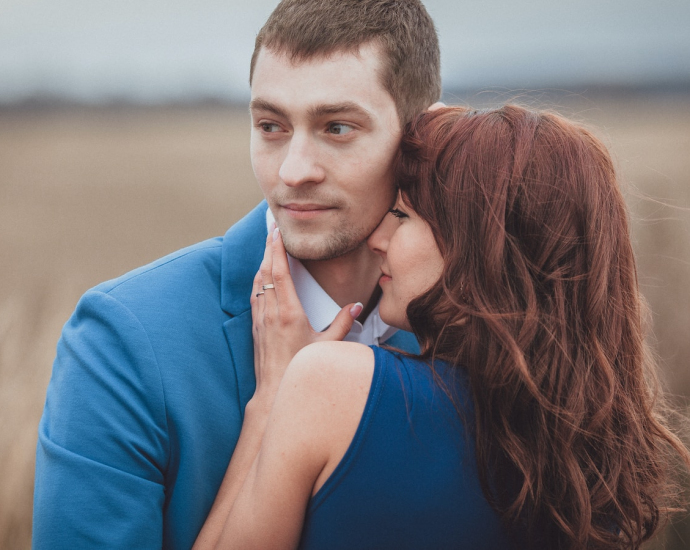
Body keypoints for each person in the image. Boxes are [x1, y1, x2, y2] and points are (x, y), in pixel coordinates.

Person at [32, 1, 441, 547]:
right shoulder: (123, 342)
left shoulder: (472, 324)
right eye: (270, 126)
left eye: (336, 127)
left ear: (422, 136)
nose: (293, 170)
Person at [192, 105, 690, 550]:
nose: (377, 237)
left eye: (403, 215)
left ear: (480, 246)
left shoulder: (332, 385)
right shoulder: (589, 445)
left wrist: (273, 394)